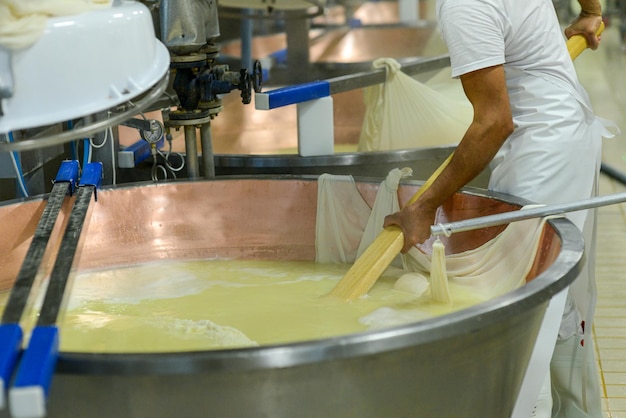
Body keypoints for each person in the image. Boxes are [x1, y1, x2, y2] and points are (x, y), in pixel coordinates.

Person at [383, 0, 614, 417]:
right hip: (566, 134)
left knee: (520, 310)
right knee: (550, 294)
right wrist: (590, 11)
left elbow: (494, 122)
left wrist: (422, 208)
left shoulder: (463, 7)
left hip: (541, 151)